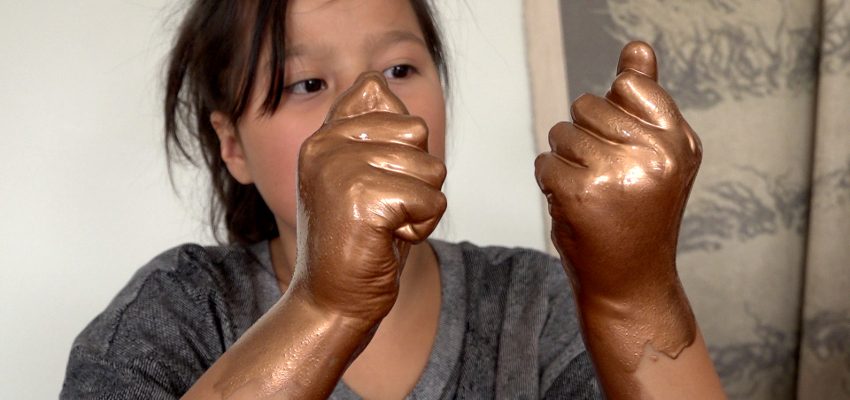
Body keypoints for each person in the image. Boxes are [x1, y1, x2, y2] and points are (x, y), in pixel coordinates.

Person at [61, 0, 726, 399]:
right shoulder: (178, 311)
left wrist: (633, 293)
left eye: (402, 68)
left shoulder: (536, 305)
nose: (371, 101)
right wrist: (325, 307)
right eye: (306, 83)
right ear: (231, 144)